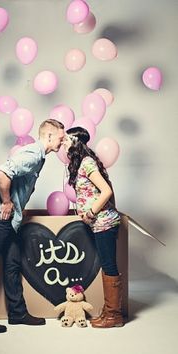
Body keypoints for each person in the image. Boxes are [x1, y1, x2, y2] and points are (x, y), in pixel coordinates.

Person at [0, 119, 65, 333]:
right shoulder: (32, 155)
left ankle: (17, 314)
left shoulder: (40, 157)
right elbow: (3, 172)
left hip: (9, 220)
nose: (62, 142)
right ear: (49, 136)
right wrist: (6, 201)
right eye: (61, 137)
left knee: (13, 263)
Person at [63, 126, 124, 328]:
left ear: (75, 142)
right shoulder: (79, 163)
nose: (63, 143)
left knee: (108, 266)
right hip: (98, 224)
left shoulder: (87, 163)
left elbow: (105, 191)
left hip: (104, 222)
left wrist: (89, 213)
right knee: (107, 265)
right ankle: (109, 312)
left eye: (66, 140)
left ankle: (114, 316)